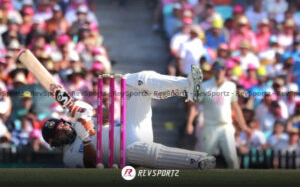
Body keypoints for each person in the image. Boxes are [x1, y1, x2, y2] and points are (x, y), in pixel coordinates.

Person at [41, 65, 216, 169]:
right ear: (54, 142)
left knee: (134, 81)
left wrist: (90, 113)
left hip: (130, 128)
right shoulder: (69, 157)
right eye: (58, 132)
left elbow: (108, 117)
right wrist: (86, 139)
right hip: (127, 152)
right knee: (139, 151)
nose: (64, 128)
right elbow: (91, 165)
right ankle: (198, 161)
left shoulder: (78, 118)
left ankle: (187, 86)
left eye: (62, 125)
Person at [188, 61, 252, 169]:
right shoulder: (204, 86)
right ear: (213, 70)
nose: (219, 71)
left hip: (226, 126)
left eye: (222, 68)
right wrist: (189, 123)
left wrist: (244, 126)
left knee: (232, 158)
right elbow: (194, 106)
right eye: (217, 68)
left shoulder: (231, 86)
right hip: (209, 127)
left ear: (225, 71)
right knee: (205, 159)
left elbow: (236, 107)